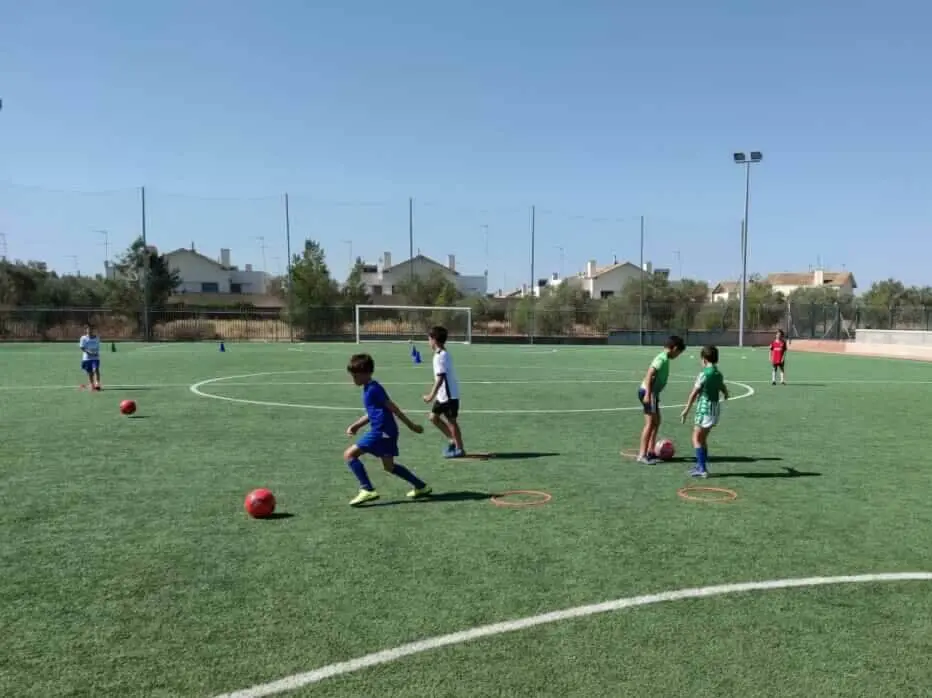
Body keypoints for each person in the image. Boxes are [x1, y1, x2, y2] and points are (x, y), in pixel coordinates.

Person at [344, 353, 431, 506]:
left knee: (350, 455)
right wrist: (356, 425)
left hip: (381, 431)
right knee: (389, 466)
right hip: (387, 431)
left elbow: (393, 408)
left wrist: (411, 425)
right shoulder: (368, 388)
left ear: (366, 373)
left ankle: (367, 489)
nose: (353, 380)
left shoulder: (373, 389)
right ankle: (421, 486)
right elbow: (372, 413)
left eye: (355, 376)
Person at [635, 335, 686, 464]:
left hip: (653, 394)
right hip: (648, 393)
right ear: (674, 348)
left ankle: (651, 451)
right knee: (650, 423)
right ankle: (642, 455)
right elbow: (650, 373)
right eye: (678, 353)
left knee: (657, 422)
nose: (678, 356)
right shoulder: (661, 359)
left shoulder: (665, 358)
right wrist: (648, 394)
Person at [680, 345, 729, 478]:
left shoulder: (703, 374)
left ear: (704, 359)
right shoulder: (718, 374)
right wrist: (726, 394)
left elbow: (694, 394)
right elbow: (722, 387)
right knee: (703, 439)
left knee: (696, 438)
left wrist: (686, 410)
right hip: (714, 409)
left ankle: (702, 469)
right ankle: (700, 465)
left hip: (704, 408)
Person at [422, 326, 465, 458]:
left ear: (434, 340)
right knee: (433, 418)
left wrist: (430, 396)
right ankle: (452, 440)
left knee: (452, 421)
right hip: (443, 396)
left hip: (449, 396)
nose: (428, 342)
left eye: (429, 339)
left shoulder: (440, 356)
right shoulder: (441, 354)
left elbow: (440, 378)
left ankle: (460, 449)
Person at [79, 324, 102, 391]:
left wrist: (95, 353)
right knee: (90, 372)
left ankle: (97, 384)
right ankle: (92, 384)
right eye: (88, 329)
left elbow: (97, 347)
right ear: (86, 330)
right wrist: (88, 352)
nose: (90, 330)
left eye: (91, 329)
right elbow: (82, 347)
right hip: (87, 358)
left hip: (95, 357)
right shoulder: (83, 338)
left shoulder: (97, 338)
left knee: (96, 369)